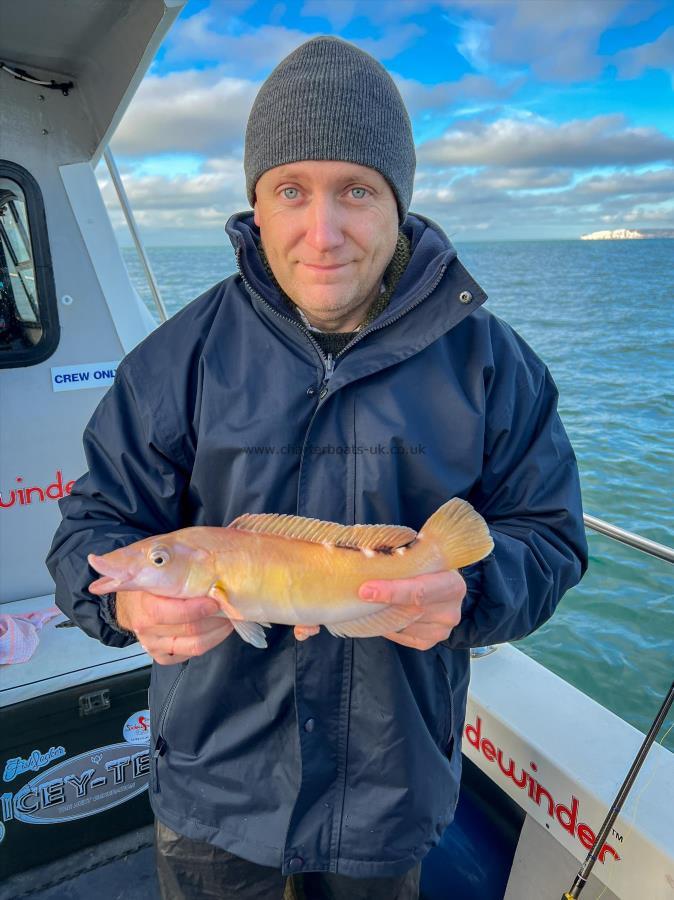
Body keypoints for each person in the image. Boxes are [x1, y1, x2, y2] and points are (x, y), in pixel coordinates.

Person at [46, 36, 588, 900]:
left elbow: (549, 538)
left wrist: (470, 595)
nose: (322, 231)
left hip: (390, 787)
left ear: (398, 201)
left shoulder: (495, 364)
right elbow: (92, 533)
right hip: (213, 788)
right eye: (291, 190)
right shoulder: (172, 361)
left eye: (357, 191)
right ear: (256, 204)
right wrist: (130, 602)